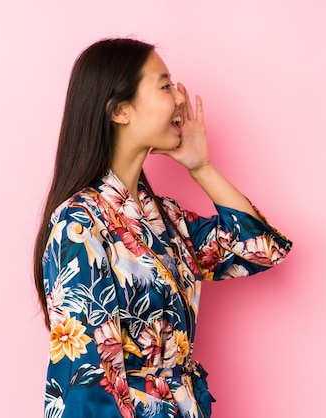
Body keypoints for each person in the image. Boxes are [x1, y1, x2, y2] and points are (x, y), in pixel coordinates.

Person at [33, 38, 292, 418]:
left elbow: (260, 248)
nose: (181, 99)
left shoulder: (165, 218)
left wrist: (201, 167)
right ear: (120, 110)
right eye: (165, 85)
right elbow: (85, 379)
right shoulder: (79, 224)